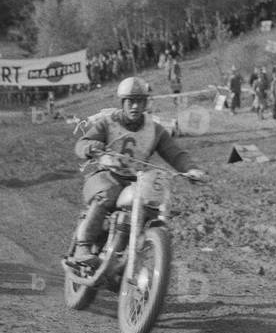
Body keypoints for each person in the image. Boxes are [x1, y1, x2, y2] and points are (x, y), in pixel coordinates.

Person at [68, 77, 205, 266]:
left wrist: (192, 169)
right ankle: (84, 245)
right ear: (122, 103)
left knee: (153, 209)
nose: (135, 106)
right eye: (130, 101)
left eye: (140, 101)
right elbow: (81, 143)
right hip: (107, 176)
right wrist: (91, 147)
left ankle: (138, 258)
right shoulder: (108, 123)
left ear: (145, 103)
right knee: (108, 194)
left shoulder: (155, 130)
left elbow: (175, 154)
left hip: (137, 181)